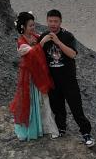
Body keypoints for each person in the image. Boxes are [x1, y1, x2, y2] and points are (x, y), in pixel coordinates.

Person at [42, 8, 94, 147]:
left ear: (60, 22)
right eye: (50, 21)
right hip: (53, 80)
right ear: (47, 21)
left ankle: (86, 133)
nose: (53, 24)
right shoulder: (44, 36)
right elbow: (36, 55)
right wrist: (42, 42)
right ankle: (61, 128)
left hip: (68, 80)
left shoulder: (68, 36)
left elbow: (72, 54)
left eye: (56, 21)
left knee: (76, 108)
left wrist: (58, 42)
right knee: (57, 107)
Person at [10, 12, 59, 141]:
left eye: (33, 25)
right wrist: (41, 43)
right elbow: (32, 54)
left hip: (36, 74)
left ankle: (42, 127)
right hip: (29, 77)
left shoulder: (34, 36)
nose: (33, 28)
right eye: (31, 25)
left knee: (41, 100)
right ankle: (32, 128)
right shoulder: (21, 42)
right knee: (31, 101)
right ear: (24, 27)